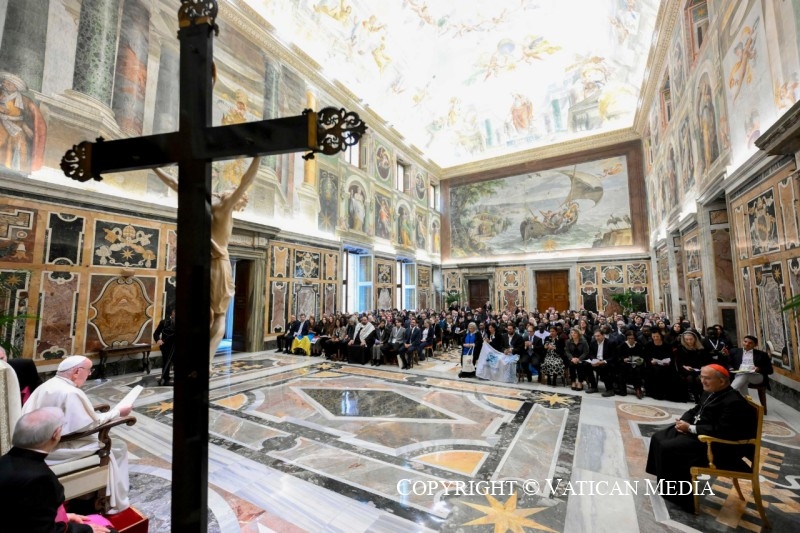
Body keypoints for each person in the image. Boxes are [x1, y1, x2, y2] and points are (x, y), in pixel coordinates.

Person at [154, 156, 262, 369]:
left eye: (237, 192)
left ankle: (201, 357)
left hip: (201, 262)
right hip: (217, 262)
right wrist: (258, 156)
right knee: (218, 316)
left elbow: (175, 184)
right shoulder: (220, 203)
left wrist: (155, 167)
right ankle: (205, 359)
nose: (233, 188)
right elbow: (245, 181)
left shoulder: (215, 202)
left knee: (211, 315)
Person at [21, 356, 133, 513]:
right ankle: (113, 498)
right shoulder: (70, 392)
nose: (89, 374)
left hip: (38, 441)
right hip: (57, 448)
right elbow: (90, 425)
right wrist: (118, 412)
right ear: (76, 372)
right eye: (89, 370)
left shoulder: (48, 385)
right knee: (118, 447)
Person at [645, 364, 757, 512]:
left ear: (721, 381)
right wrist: (683, 421)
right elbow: (695, 410)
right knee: (658, 437)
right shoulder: (710, 392)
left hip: (719, 447)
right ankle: (664, 480)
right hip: (702, 435)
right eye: (701, 377)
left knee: (670, 448)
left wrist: (690, 428)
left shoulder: (733, 402)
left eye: (707, 378)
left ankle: (678, 496)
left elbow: (722, 431)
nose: (702, 381)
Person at [0, 407, 114, 533]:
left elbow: (22, 511)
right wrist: (86, 529)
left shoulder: (4, 461)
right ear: (56, 434)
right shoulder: (40, 478)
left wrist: (62, 517)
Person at [153, 307, 176, 386]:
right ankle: (166, 379)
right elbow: (156, 333)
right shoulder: (164, 322)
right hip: (166, 346)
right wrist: (158, 340)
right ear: (172, 312)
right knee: (166, 362)